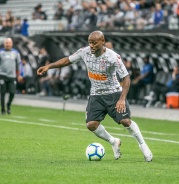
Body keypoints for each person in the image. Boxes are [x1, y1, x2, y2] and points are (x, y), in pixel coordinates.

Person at [37, 31, 153, 162]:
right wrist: (49, 66)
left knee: (125, 121)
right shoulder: (84, 52)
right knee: (91, 124)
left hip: (113, 93)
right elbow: (67, 60)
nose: (91, 45)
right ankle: (113, 141)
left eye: (94, 42)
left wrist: (121, 99)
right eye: (90, 42)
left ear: (102, 42)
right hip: (96, 94)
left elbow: (126, 78)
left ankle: (143, 145)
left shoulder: (113, 57)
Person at [0, 38, 22, 115]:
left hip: (12, 76)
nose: (8, 44)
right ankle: (3, 109)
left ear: (12, 44)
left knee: (12, 92)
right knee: (2, 93)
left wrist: (19, 75)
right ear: (4, 44)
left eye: (9, 43)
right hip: (2, 75)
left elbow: (19, 64)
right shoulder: (1, 52)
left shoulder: (16, 53)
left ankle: (8, 105)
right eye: (6, 43)